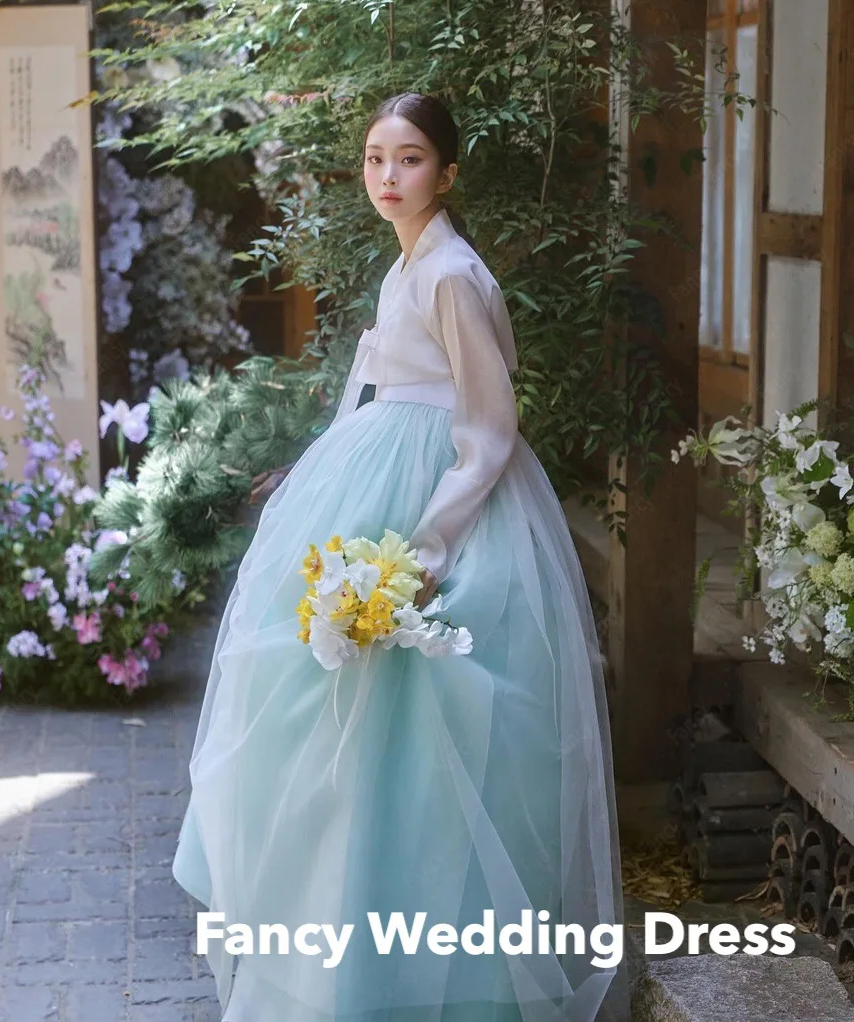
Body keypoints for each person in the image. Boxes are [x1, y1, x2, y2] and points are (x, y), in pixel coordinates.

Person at [172, 91, 630, 1022]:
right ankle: (350, 946)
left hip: (438, 498)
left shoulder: (451, 272)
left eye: (411, 159)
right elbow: (377, 382)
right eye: (377, 159)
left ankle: (438, 976)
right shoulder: (410, 260)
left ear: (447, 172)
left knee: (428, 726)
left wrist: (422, 554)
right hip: (378, 471)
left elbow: (491, 427)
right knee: (336, 716)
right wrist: (310, 474)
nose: (389, 176)